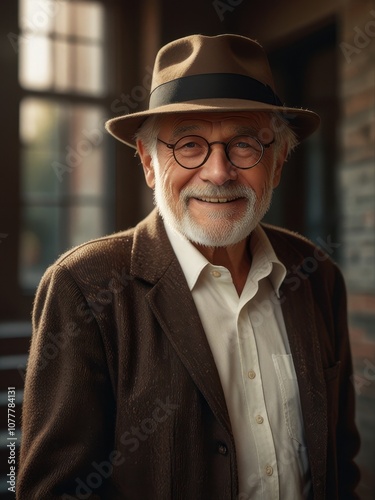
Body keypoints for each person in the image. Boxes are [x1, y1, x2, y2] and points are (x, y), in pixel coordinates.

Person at [17, 34, 360, 499]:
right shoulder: (84, 287)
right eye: (189, 145)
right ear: (149, 163)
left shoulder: (317, 275)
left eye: (244, 145)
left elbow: (340, 463)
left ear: (277, 164)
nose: (218, 173)